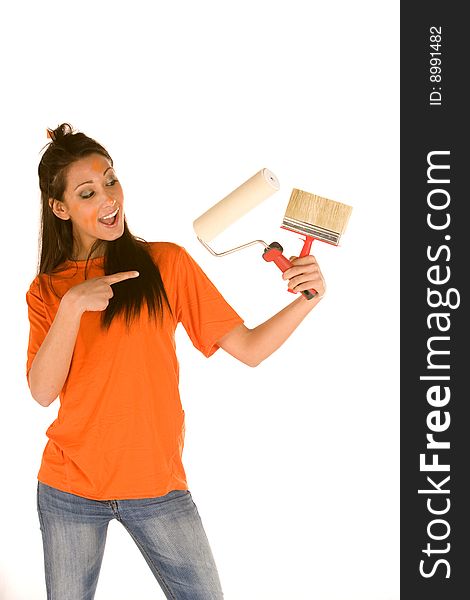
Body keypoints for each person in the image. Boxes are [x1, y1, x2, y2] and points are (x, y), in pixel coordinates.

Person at [26, 123, 326, 600]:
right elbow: (42, 391)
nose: (108, 198)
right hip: (69, 489)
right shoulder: (47, 291)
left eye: (110, 180)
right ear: (59, 208)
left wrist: (307, 299)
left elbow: (248, 348)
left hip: (157, 484)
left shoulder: (165, 264)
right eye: (87, 192)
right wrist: (72, 306)